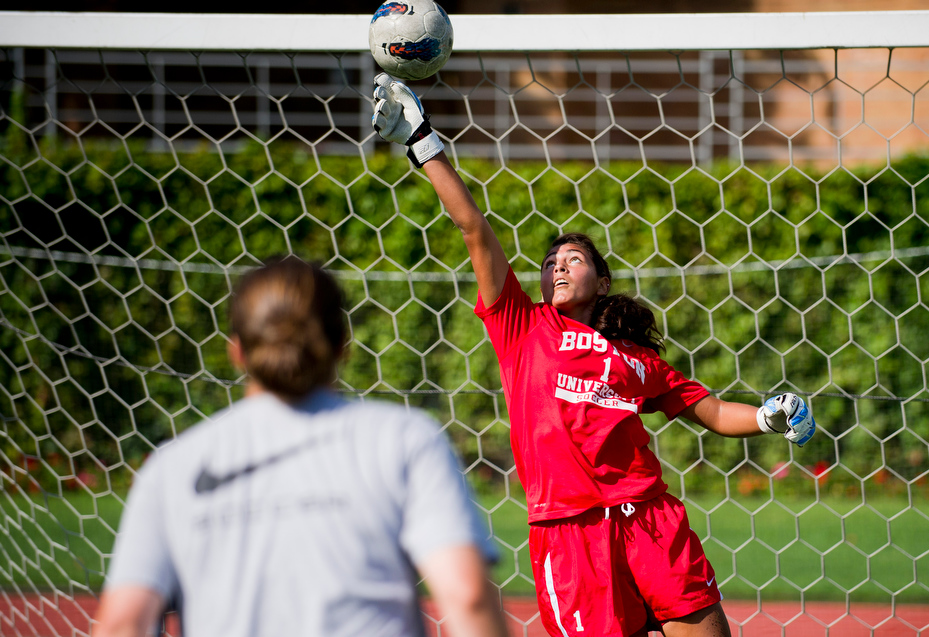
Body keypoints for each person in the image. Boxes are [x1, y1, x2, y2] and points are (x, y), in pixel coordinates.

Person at [371, 74, 817, 637]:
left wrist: (766, 417)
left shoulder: (635, 359)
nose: (557, 264)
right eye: (551, 260)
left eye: (574, 258)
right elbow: (474, 230)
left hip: (651, 520)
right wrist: (423, 143)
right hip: (570, 533)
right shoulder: (521, 326)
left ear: (602, 282)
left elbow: (707, 410)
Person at [93, 257, 510, 637]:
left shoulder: (174, 465)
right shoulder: (405, 438)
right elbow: (468, 597)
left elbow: (123, 623)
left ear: (236, 349)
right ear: (342, 345)